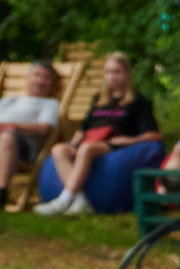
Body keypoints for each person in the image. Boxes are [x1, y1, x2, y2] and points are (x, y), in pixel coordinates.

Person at [34, 52, 161, 216]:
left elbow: (153, 135)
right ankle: (79, 200)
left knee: (86, 149)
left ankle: (64, 200)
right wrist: (72, 143)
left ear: (126, 73)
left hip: (115, 145)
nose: (111, 77)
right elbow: (83, 129)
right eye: (108, 72)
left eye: (116, 72)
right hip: (91, 140)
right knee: (59, 149)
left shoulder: (138, 101)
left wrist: (130, 140)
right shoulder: (98, 99)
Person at [0, 60, 64, 207]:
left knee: (7, 136)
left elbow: (44, 129)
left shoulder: (50, 104)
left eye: (46, 77)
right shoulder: (7, 101)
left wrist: (10, 127)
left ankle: (0, 194)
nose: (40, 81)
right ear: (28, 78)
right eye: (37, 75)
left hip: (25, 147)